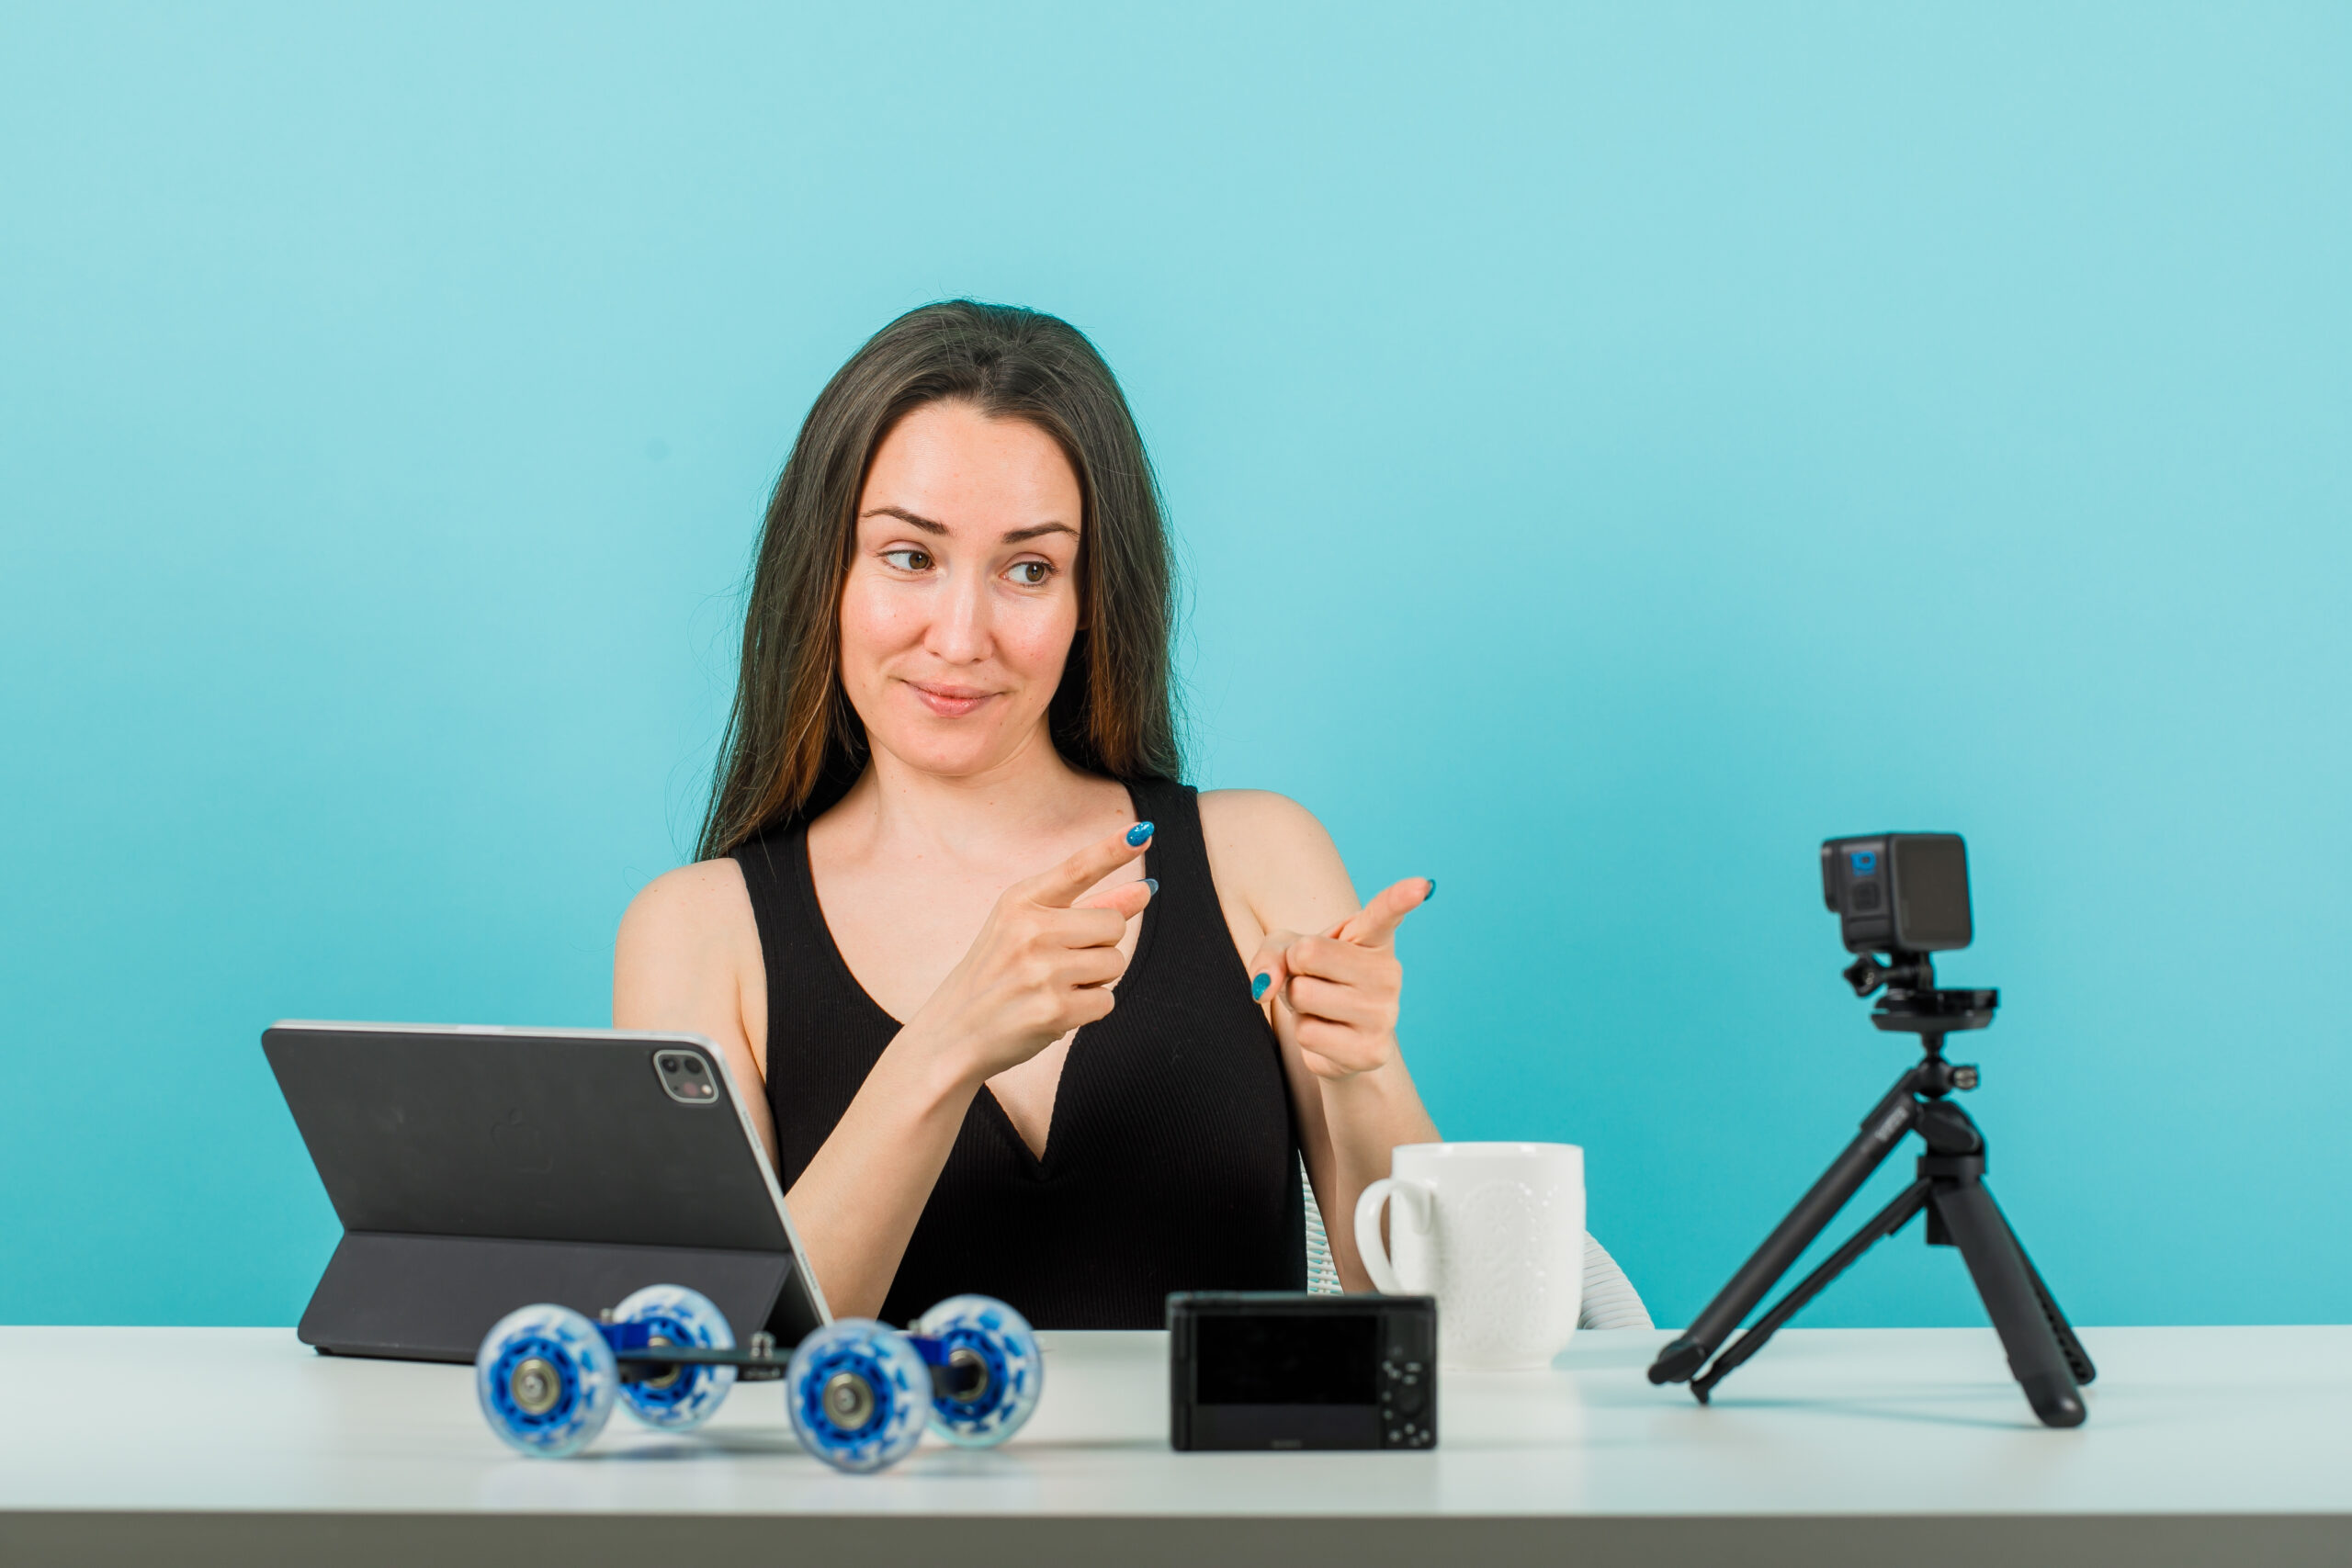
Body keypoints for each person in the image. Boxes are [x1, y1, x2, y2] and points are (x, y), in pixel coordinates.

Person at [614, 300, 1439, 1328]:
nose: (962, 637)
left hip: (1217, 1447)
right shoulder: (697, 930)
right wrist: (947, 1042)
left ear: (1092, 599)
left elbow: (1434, 1324)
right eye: (909, 556)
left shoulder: (1259, 855)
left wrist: (1360, 1073)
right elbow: (723, 1352)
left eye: (1030, 569)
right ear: (824, 571)